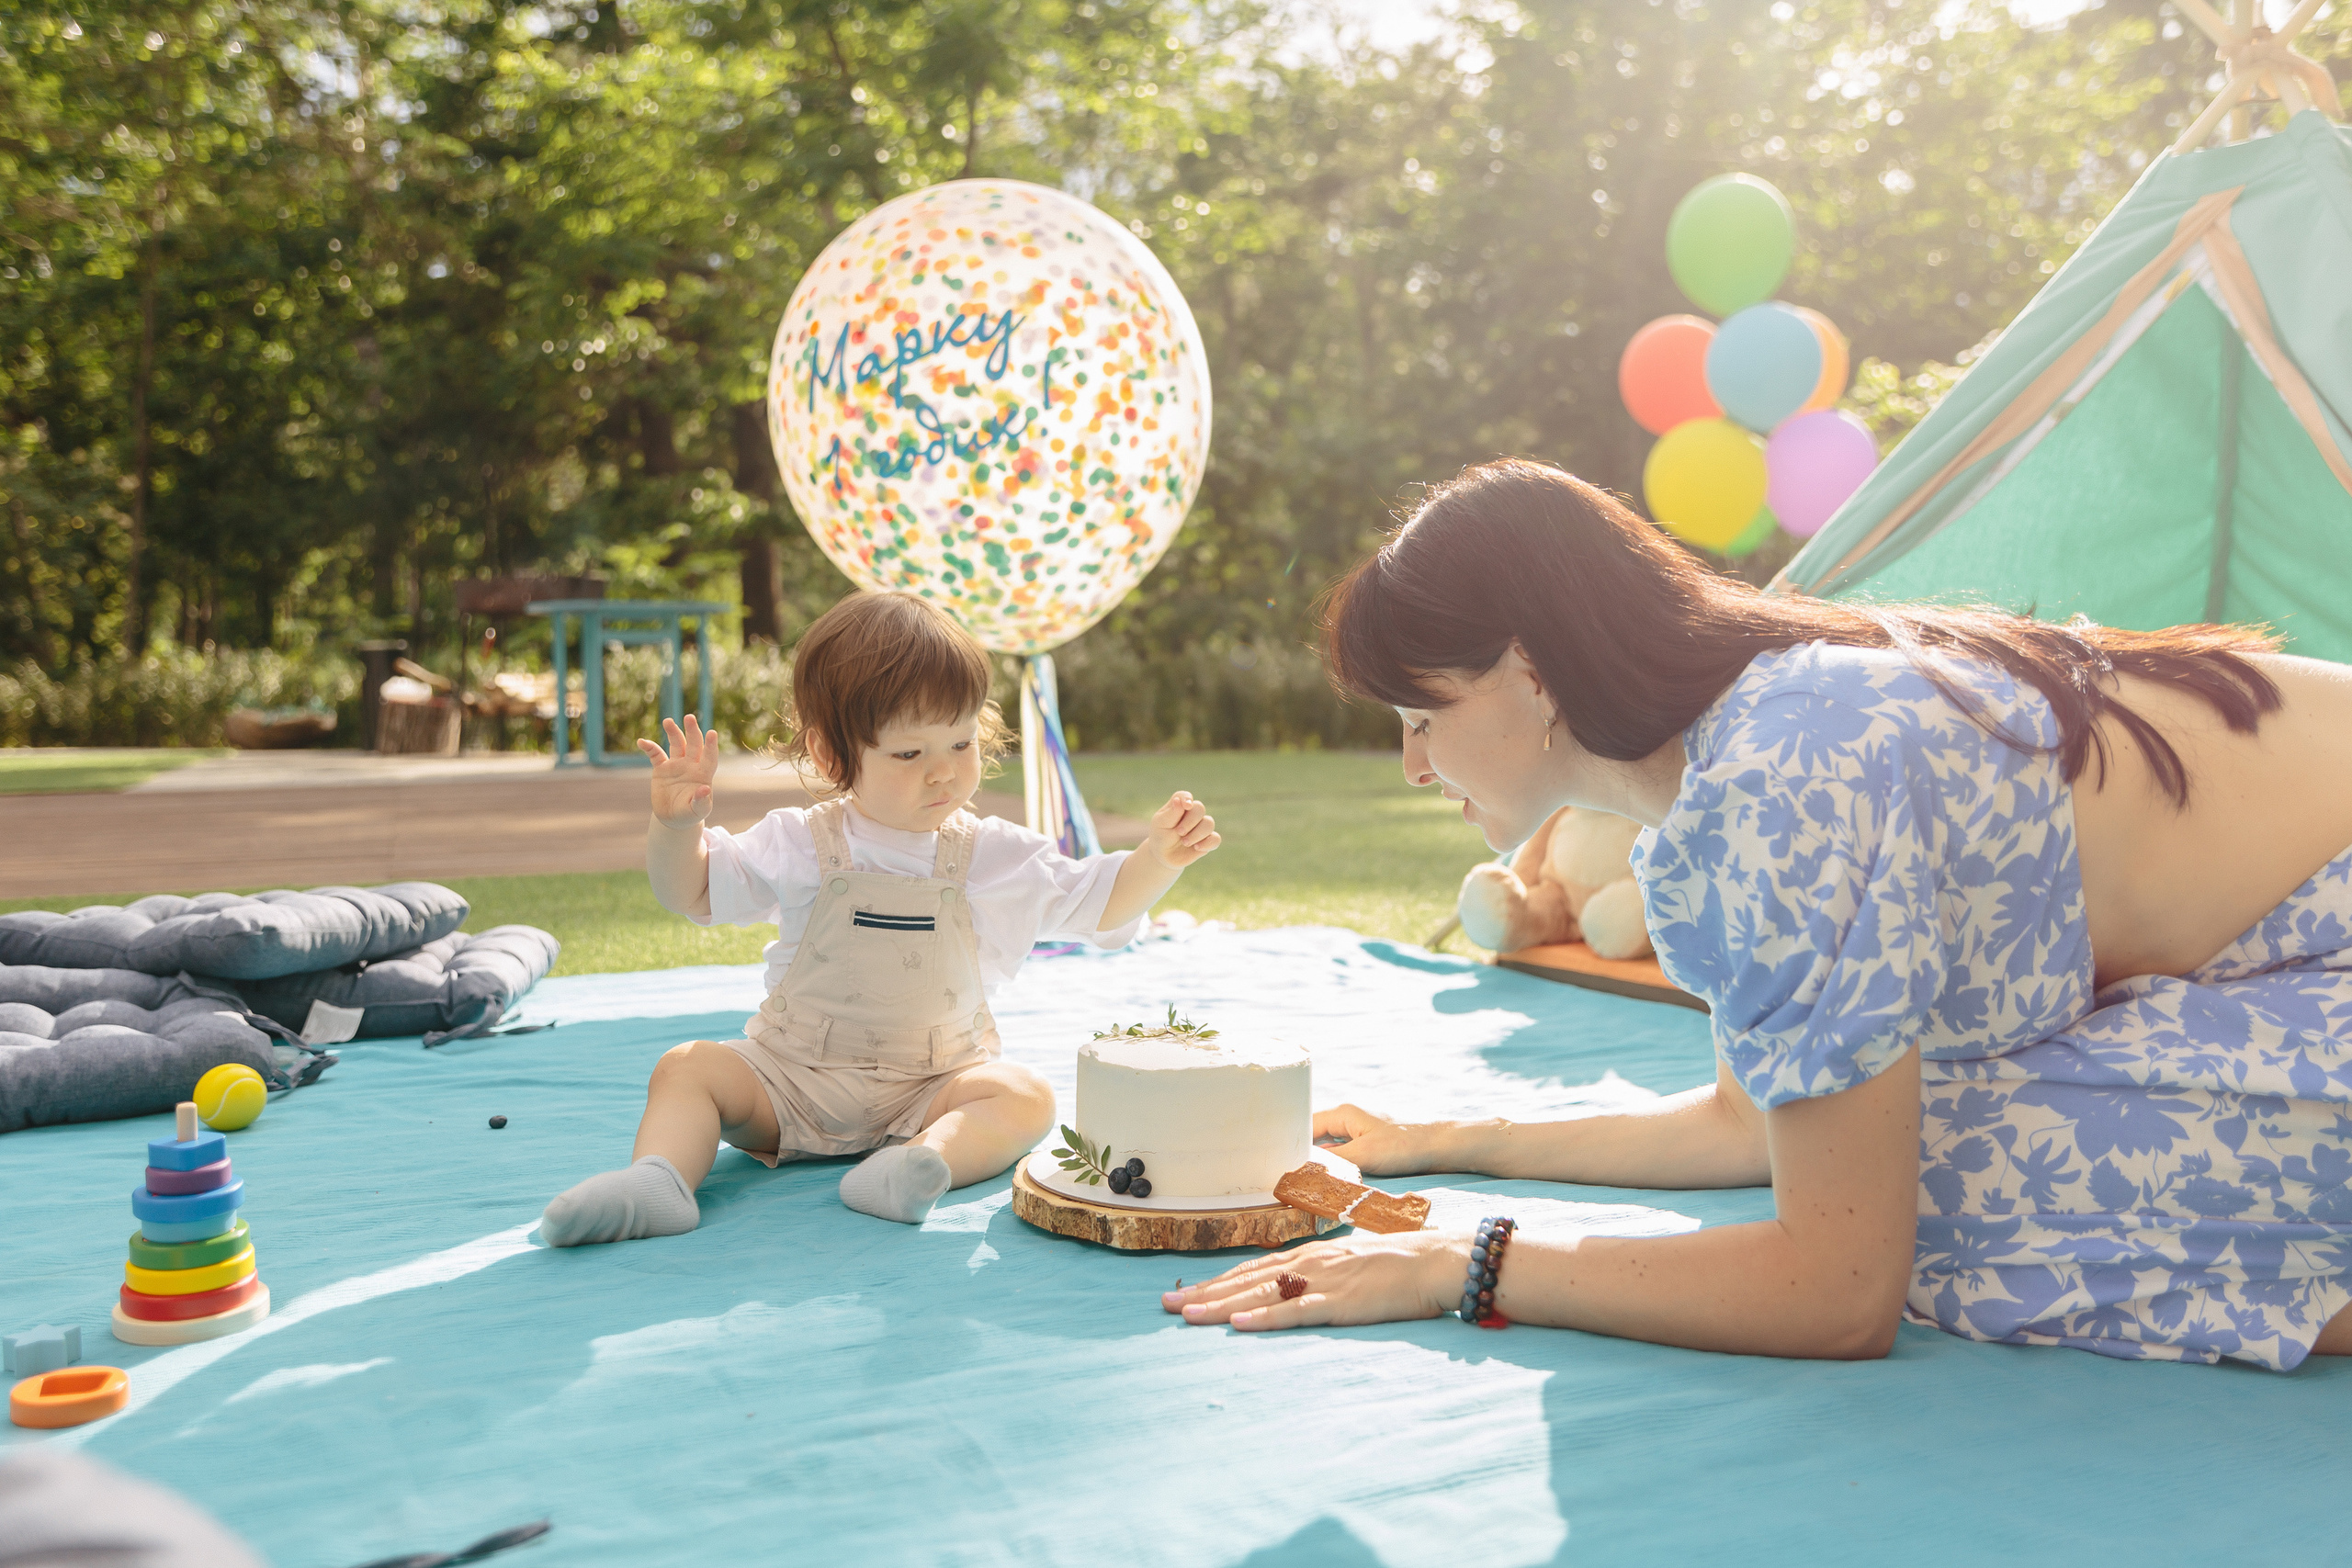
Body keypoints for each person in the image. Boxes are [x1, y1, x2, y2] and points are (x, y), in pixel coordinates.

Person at [1164, 457, 2352, 1369]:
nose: (1414, 766)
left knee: (1970, 1184)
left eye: (1420, 715)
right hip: (2287, 944)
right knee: (1916, 1146)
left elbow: (1837, 1283)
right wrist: (1449, 1138)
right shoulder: (1729, 775)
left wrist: (1461, 1262)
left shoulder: (1785, 778)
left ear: (1531, 674)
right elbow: (1757, 1120)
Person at [542, 590, 1219, 1243]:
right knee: (686, 1067)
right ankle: (658, 1181)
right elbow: (691, 891)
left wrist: (1160, 857)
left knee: (1026, 1096)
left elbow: (1103, 900)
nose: (943, 774)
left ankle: (915, 1166)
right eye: (908, 753)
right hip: (792, 1083)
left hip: (929, 1088)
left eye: (961, 743)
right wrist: (673, 827)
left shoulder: (991, 853)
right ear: (833, 755)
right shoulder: (800, 840)